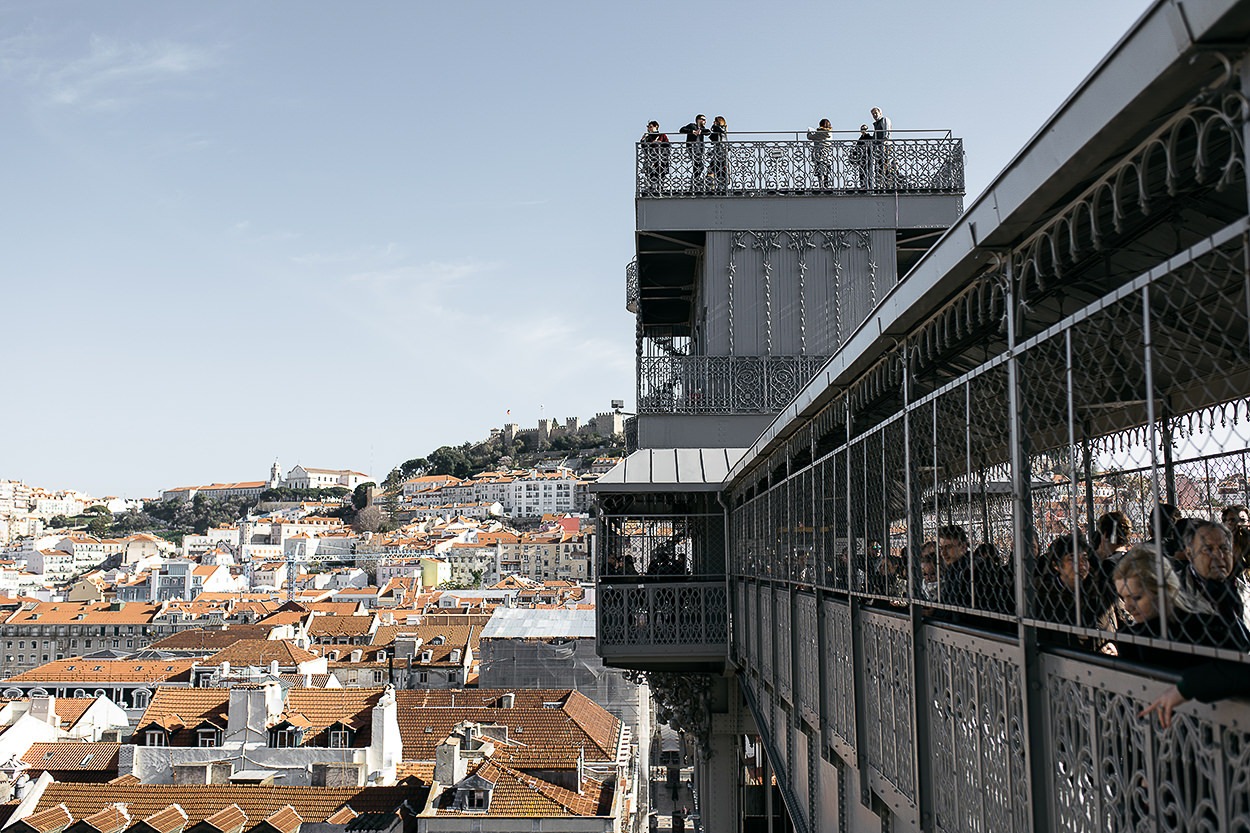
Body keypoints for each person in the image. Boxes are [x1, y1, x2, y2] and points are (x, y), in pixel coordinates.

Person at [1113, 546, 1250, 728]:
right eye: (1124, 598)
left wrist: (1186, 688)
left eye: (1136, 597)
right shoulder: (1129, 639)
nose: (1127, 607)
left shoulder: (1204, 626)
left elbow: (1239, 665)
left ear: (1163, 589)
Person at [1176, 520, 1250, 642]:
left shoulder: (1243, 589)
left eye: (1224, 548)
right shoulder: (1172, 590)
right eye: (1208, 549)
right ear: (1190, 554)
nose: (1219, 555)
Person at [679, 115, 709, 191]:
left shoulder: (702, 129)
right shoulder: (692, 125)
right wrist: (692, 132)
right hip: (692, 147)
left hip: (699, 149)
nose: (704, 121)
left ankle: (695, 182)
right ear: (698, 120)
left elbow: (708, 132)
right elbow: (682, 130)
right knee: (697, 164)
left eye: (705, 120)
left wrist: (701, 131)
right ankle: (694, 184)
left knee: (700, 165)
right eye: (703, 119)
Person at [641, 121, 670, 194]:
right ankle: (652, 187)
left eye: (650, 127)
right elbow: (643, 147)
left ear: (656, 126)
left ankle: (660, 188)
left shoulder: (662, 135)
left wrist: (660, 143)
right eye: (648, 127)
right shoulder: (648, 137)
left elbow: (667, 145)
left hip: (661, 157)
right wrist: (643, 140)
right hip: (651, 158)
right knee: (651, 173)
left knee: (660, 173)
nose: (649, 129)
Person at [806, 118, 835, 189]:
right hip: (827, 154)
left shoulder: (820, 133)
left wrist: (809, 132)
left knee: (820, 170)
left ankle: (821, 185)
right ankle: (826, 185)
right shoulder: (830, 133)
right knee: (826, 171)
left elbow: (810, 137)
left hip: (819, 154)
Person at [870, 106, 892, 189]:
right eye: (873, 114)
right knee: (879, 165)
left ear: (880, 113)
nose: (874, 115)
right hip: (878, 148)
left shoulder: (884, 120)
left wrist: (884, 142)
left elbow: (886, 133)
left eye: (876, 113)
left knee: (884, 164)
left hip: (884, 147)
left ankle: (887, 183)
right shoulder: (876, 123)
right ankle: (880, 183)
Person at [847, 124, 873, 190]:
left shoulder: (869, 137)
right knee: (861, 172)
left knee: (868, 171)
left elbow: (871, 147)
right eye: (862, 129)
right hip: (861, 158)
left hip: (868, 157)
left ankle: (869, 185)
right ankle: (863, 185)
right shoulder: (860, 139)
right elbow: (857, 148)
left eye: (865, 129)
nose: (863, 131)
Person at [709, 116, 729, 194]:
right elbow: (712, 137)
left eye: (716, 121)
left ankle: (722, 186)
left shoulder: (722, 128)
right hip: (718, 151)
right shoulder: (718, 129)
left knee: (720, 169)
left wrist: (715, 126)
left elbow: (720, 131)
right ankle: (715, 185)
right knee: (714, 168)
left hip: (721, 152)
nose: (715, 122)